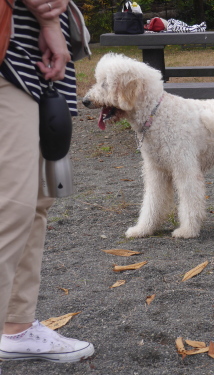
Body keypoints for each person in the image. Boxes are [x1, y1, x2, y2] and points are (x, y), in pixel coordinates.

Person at [0, 0, 94, 362]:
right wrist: (49, 19)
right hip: (9, 54)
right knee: (10, 209)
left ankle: (17, 326)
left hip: (31, 57)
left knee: (35, 203)